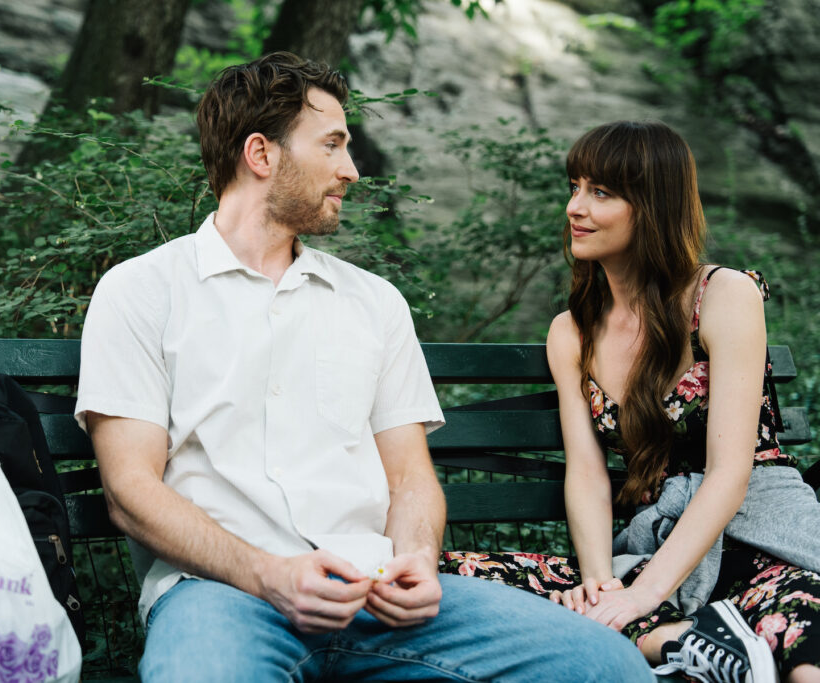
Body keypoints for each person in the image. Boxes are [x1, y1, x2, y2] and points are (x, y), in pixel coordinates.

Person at [74, 53, 653, 682]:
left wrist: (418, 563)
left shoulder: (373, 302)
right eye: (333, 145)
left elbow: (409, 480)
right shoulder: (141, 291)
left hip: (376, 596)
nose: (351, 169)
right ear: (261, 155)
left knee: (605, 666)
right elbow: (132, 492)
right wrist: (269, 574)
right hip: (222, 594)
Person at [440, 120, 820, 683]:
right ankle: (683, 644)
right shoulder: (572, 332)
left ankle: (690, 639)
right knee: (442, 576)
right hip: (651, 550)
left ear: (653, 206)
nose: (575, 206)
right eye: (575, 186)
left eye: (601, 192)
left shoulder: (724, 296)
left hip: (758, 533)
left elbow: (729, 474)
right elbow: (589, 474)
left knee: (803, 652)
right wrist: (601, 587)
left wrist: (640, 597)